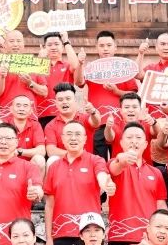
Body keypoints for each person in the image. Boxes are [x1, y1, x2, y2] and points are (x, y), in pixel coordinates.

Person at [44, 121, 113, 245]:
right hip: (61, 235)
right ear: (62, 139)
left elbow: (102, 176)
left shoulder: (95, 160)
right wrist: (49, 237)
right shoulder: (54, 167)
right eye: (69, 134)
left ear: (85, 138)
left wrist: (106, 185)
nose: (73, 138)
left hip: (89, 234)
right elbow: (49, 206)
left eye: (77, 134)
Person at [107, 122, 167, 245]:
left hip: (148, 239)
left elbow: (161, 205)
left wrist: (165, 229)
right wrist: (123, 159)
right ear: (121, 143)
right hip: (119, 237)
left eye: (138, 138)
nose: (134, 141)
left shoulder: (156, 173)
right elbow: (116, 166)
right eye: (129, 137)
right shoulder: (114, 163)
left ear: (145, 144)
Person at [74, 31, 131, 159]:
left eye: (109, 45)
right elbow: (78, 82)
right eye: (102, 45)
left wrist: (117, 91)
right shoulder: (92, 68)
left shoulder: (124, 68)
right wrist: (80, 63)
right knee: (98, 160)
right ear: (97, 48)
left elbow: (134, 94)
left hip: (119, 123)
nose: (105, 49)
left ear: (115, 47)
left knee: (119, 159)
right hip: (97, 122)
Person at [0, 30, 47, 121]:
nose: (15, 44)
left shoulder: (35, 63)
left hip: (29, 117)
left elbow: (44, 92)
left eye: (18, 41)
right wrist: (2, 76)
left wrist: (30, 83)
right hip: (6, 117)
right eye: (11, 41)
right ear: (5, 45)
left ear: (23, 44)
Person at [36, 32, 80, 128]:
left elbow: (76, 66)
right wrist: (39, 60)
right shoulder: (38, 66)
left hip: (64, 114)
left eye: (56, 44)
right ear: (43, 47)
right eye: (49, 45)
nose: (53, 47)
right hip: (42, 115)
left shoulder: (67, 65)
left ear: (62, 47)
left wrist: (66, 41)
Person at [43, 82, 99, 158]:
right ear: (56, 103)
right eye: (60, 100)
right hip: (63, 162)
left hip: (86, 162)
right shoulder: (50, 126)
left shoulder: (85, 118)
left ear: (75, 100)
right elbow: (51, 151)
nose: (64, 102)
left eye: (68, 99)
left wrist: (93, 112)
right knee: (52, 159)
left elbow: (96, 123)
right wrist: (75, 154)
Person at [6, 94, 47, 167]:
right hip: (8, 162)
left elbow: (41, 151)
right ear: (11, 109)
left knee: (39, 159)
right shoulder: (5, 124)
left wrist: (20, 151)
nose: (21, 109)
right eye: (18, 105)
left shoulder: (35, 125)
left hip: (29, 165)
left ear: (31, 111)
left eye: (25, 106)